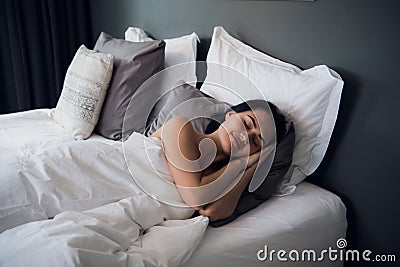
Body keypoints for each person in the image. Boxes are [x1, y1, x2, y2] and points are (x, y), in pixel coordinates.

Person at [150, 99, 286, 222]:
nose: (245, 137)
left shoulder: (223, 176)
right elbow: (196, 198)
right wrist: (240, 163)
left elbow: (212, 212)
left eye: (256, 141)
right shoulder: (180, 127)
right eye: (247, 124)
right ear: (230, 114)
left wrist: (251, 166)